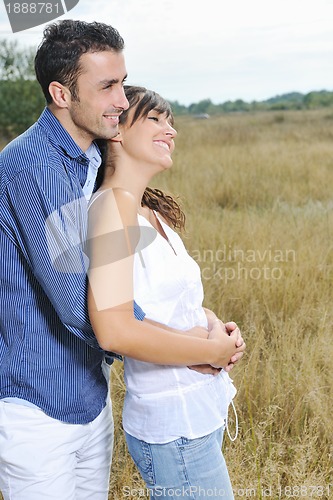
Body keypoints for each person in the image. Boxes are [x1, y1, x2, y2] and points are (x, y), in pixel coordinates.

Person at [0, 22, 244, 500]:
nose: (120, 99)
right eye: (108, 86)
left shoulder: (86, 157)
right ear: (61, 93)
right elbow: (82, 306)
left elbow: (124, 287)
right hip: (38, 408)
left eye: (122, 80)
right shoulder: (34, 166)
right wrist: (199, 343)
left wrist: (202, 323)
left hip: (89, 397)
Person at [87, 86, 245, 499]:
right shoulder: (109, 210)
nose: (169, 130)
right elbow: (115, 330)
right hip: (173, 425)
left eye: (170, 121)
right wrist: (209, 351)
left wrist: (218, 330)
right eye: (155, 119)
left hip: (197, 415)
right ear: (117, 132)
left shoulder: (149, 211)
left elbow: (179, 304)